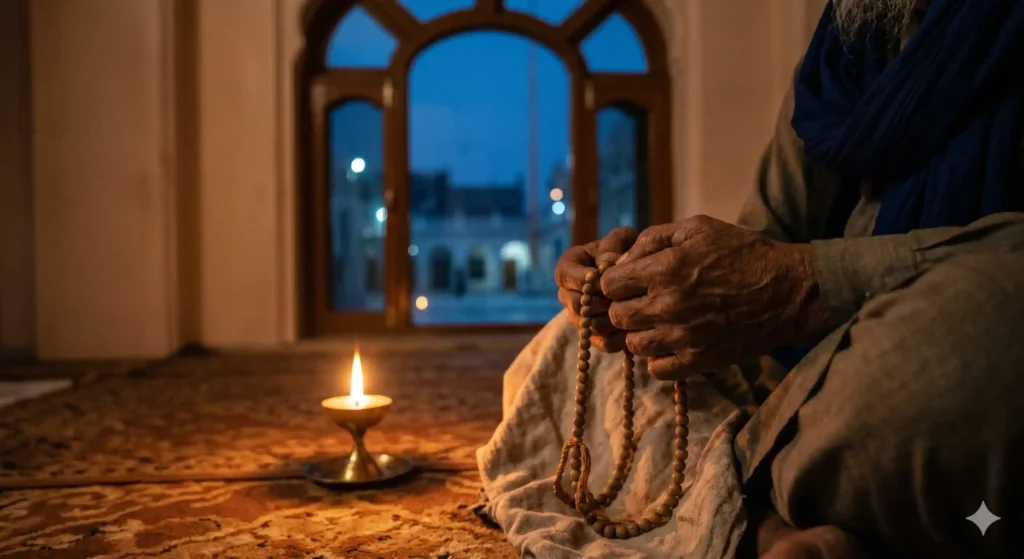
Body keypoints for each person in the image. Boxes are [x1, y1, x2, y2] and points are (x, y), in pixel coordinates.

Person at [551, 0, 1024, 557]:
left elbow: (786, 278)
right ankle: (767, 523)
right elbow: (765, 242)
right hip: (809, 362)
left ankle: (730, 511)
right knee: (566, 345)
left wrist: (810, 283)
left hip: (935, 325)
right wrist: (645, 282)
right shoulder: (848, 42)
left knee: (954, 346)